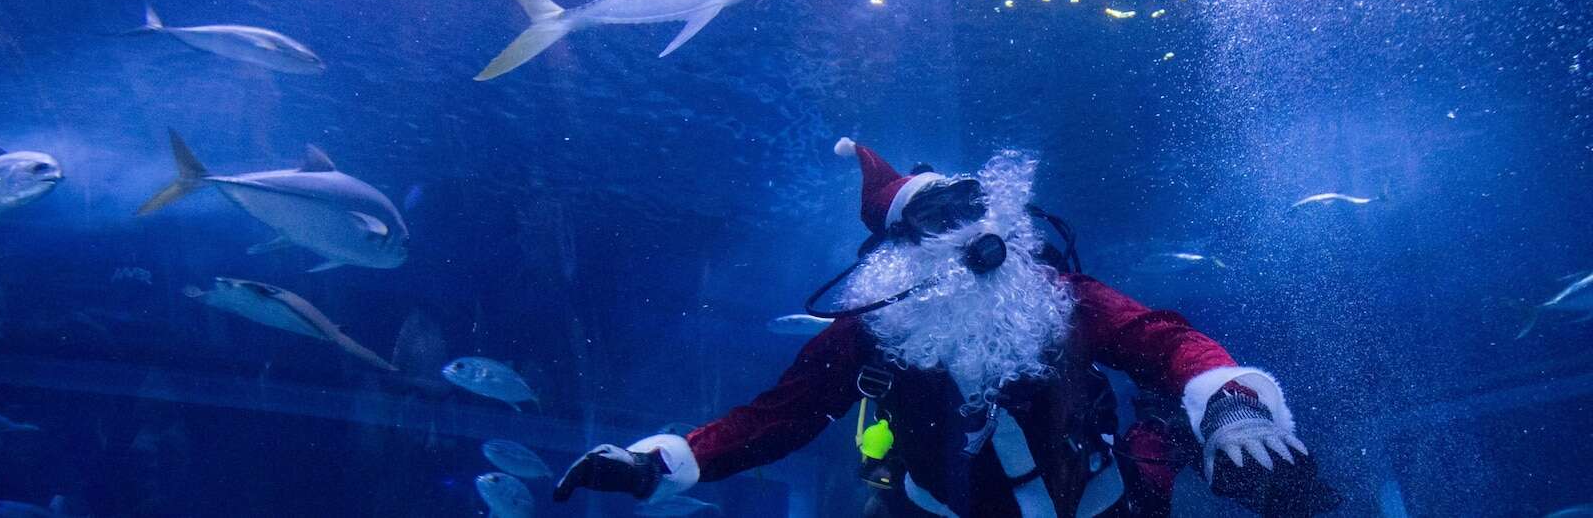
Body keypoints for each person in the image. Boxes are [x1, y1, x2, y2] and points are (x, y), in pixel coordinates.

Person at [554, 140, 1337, 517]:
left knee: (1236, 454)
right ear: (895, 253)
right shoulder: (866, 335)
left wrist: (1229, 396)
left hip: (1104, 502)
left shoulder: (1056, 292)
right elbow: (776, 420)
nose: (965, 230)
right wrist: (659, 462)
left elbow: (1161, 339)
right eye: (936, 218)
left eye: (970, 207)